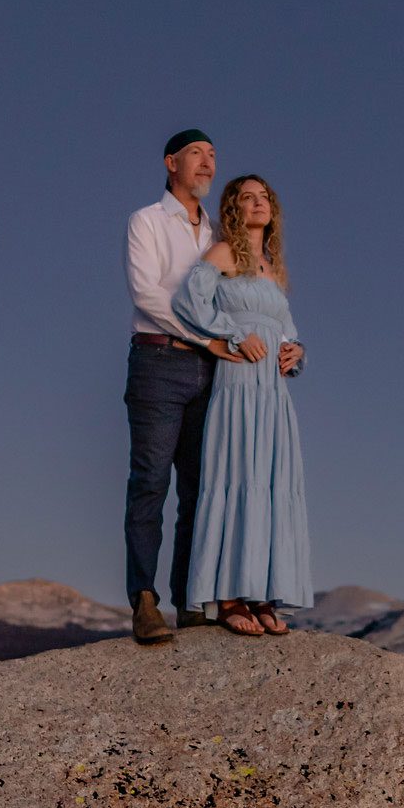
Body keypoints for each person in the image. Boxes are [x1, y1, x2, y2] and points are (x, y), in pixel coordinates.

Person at [171, 174, 310, 636]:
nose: (258, 203)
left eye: (264, 197)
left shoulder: (272, 267)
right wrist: (229, 333)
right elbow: (188, 300)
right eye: (247, 198)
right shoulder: (224, 254)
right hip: (237, 382)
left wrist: (296, 352)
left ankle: (262, 593)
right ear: (233, 208)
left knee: (271, 482)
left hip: (273, 393)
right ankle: (229, 595)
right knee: (238, 475)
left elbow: (287, 330)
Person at [122, 129, 219, 644]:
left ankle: (189, 600)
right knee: (150, 481)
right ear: (170, 163)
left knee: (199, 490)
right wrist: (208, 334)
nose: (207, 164)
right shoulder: (147, 221)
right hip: (158, 361)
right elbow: (147, 295)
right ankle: (144, 600)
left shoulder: (218, 236)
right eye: (197, 155)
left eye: (212, 157)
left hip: (211, 370)